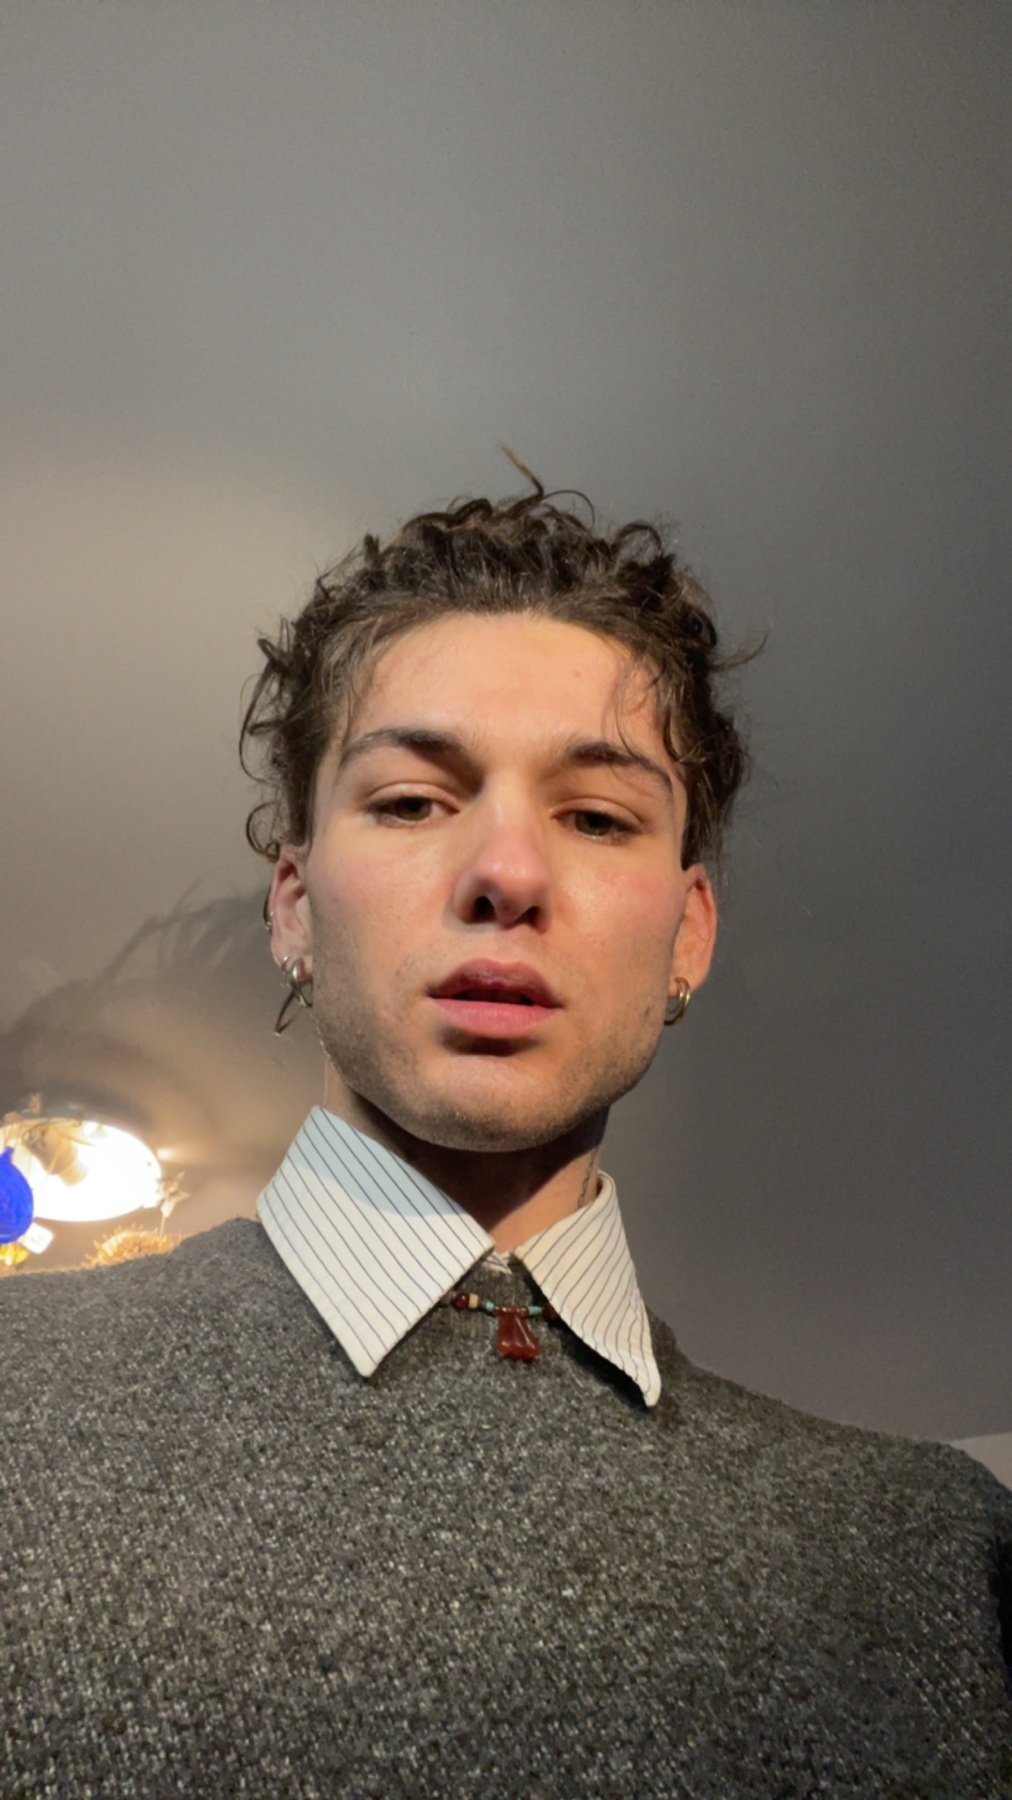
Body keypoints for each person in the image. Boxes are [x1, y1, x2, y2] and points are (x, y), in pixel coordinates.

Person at [1, 472, 1009, 1797]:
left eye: (596, 817)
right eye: (414, 801)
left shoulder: (938, 1556)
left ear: (689, 935)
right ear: (294, 906)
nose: (509, 874)